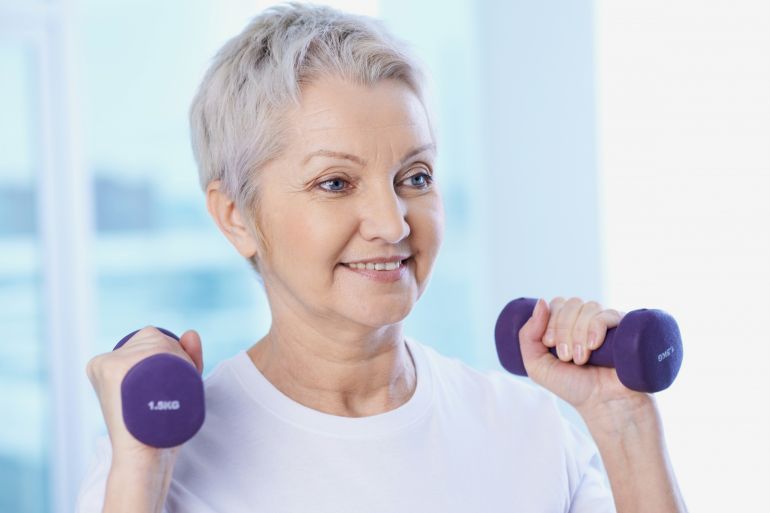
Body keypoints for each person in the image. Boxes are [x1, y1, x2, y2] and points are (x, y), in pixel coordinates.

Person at [76, 3, 687, 512]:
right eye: (335, 183)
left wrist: (624, 424)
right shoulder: (152, 466)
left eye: (414, 176)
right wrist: (141, 476)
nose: (394, 222)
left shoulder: (529, 429)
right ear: (236, 215)